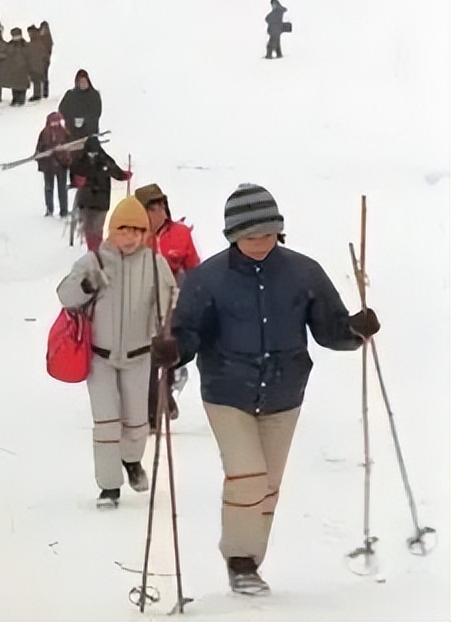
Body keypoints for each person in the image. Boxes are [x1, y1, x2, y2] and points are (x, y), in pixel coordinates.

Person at [159, 184, 380, 594]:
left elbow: (331, 331)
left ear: (279, 231)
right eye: (249, 236)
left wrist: (355, 330)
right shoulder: (208, 279)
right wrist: (172, 349)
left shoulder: (303, 273)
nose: (259, 243)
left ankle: (250, 562)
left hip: (284, 391)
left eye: (267, 234)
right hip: (227, 389)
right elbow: (187, 333)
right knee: (247, 475)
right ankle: (240, 560)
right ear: (232, 236)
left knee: (267, 486)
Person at [57, 198, 176, 507]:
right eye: (124, 230)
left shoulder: (154, 263)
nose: (131, 237)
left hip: (139, 356)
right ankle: (109, 487)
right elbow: (65, 296)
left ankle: (132, 460)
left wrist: (165, 335)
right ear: (112, 230)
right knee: (107, 423)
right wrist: (87, 285)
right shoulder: (94, 261)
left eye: (138, 231)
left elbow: (169, 303)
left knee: (137, 422)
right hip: (100, 357)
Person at [134, 183, 201, 431]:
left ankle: (167, 391)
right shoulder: (135, 236)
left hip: (176, 299)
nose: (159, 211)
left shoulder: (181, 233)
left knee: (172, 350)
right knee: (151, 355)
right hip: (144, 301)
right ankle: (152, 413)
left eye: (161, 205)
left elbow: (194, 267)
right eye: (152, 207)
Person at [69, 136, 131, 252]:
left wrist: (124, 175)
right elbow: (73, 175)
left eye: (94, 153)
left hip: (101, 201)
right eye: (90, 153)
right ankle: (92, 251)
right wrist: (75, 180)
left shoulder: (105, 160)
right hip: (85, 201)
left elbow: (116, 172)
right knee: (87, 228)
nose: (92, 155)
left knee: (97, 228)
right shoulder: (79, 161)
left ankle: (96, 251)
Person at [36, 112, 73, 217]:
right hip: (48, 165)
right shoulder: (44, 133)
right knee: (49, 188)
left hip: (61, 165)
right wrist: (41, 159)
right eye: (53, 121)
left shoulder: (64, 132)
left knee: (62, 188)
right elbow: (40, 148)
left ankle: (64, 210)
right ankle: (49, 209)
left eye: (57, 121)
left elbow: (69, 147)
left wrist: (66, 158)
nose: (55, 124)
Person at [59, 69, 102, 139]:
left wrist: (85, 120)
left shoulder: (94, 95)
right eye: (81, 82)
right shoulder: (70, 95)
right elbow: (62, 109)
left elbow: (96, 112)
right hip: (72, 132)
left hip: (90, 132)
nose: (83, 84)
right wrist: (73, 119)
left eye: (85, 81)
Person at [1, 28, 31, 106]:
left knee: (21, 85)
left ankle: (21, 99)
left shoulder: (24, 45)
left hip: (22, 69)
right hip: (14, 69)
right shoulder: (11, 45)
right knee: (15, 85)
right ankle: (15, 98)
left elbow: (29, 56)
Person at [25, 25, 49, 102]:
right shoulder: (38, 41)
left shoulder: (36, 42)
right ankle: (40, 93)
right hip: (37, 64)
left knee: (36, 80)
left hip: (37, 64)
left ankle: (37, 95)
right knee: (37, 80)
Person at [39, 21, 54, 98]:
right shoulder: (41, 37)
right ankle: (41, 92)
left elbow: (49, 49)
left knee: (44, 76)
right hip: (40, 59)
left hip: (45, 60)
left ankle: (45, 93)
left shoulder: (47, 38)